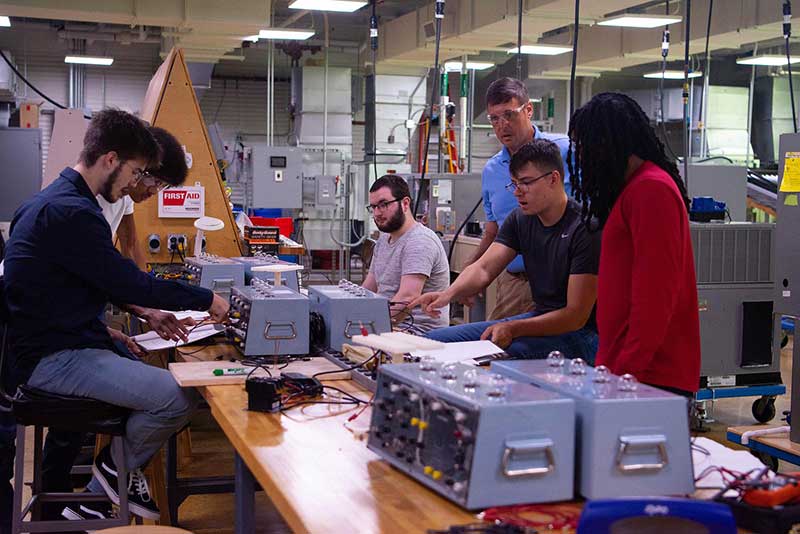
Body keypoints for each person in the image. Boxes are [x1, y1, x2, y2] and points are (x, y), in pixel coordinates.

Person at [3, 108, 229, 521]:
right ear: (110, 159)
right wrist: (207, 299)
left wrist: (105, 332)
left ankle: (112, 482)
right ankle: (103, 484)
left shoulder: (50, 201)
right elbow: (128, 282)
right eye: (136, 172)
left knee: (139, 365)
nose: (134, 185)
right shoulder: (74, 213)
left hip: (50, 347)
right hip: (53, 361)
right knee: (179, 396)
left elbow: (60, 293)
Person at [416, 140, 599, 362]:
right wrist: (448, 295)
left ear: (554, 178)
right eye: (513, 184)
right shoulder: (521, 219)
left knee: (499, 354)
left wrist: (513, 327)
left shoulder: (585, 229)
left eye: (526, 183)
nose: (517, 192)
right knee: (432, 342)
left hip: (581, 334)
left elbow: (575, 316)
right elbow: (484, 268)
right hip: (539, 317)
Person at [568, 92, 700, 396]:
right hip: (628, 372)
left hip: (650, 378)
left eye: (585, 146)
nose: (582, 157)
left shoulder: (651, 190)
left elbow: (655, 298)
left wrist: (625, 377)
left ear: (608, 143)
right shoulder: (632, 190)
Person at [466, 77, 572, 321]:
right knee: (498, 348)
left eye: (509, 115)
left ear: (528, 110)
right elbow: (494, 231)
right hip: (515, 281)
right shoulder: (492, 170)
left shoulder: (565, 151)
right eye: (494, 118)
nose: (502, 125)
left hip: (565, 282)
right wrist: (471, 272)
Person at [363, 174, 450, 334]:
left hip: (417, 332)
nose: (377, 213)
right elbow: (368, 288)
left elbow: (407, 298)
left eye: (383, 205)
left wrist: (365, 324)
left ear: (405, 203)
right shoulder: (383, 240)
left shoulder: (419, 241)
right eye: (373, 207)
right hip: (389, 326)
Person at [98, 126, 188, 270]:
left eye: (162, 186)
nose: (154, 191)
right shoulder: (96, 199)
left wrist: (146, 287)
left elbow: (130, 243)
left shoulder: (125, 194)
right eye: (154, 181)